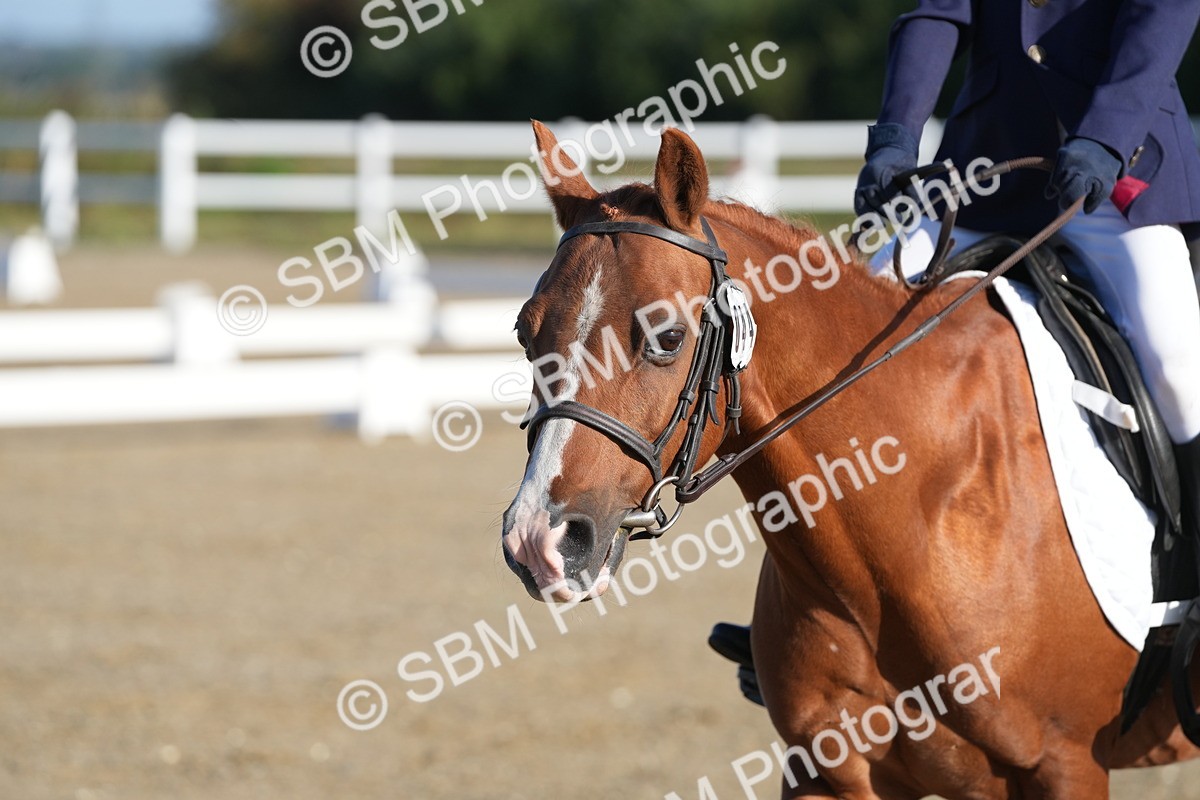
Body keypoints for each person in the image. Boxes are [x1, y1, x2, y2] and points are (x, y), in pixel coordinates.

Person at [710, 0, 1200, 706]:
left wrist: (1106, 134)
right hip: (984, 175)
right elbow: (936, 12)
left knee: (1178, 369)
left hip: (1119, 179)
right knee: (845, 343)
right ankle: (797, 606)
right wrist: (895, 139)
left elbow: (1163, 15)